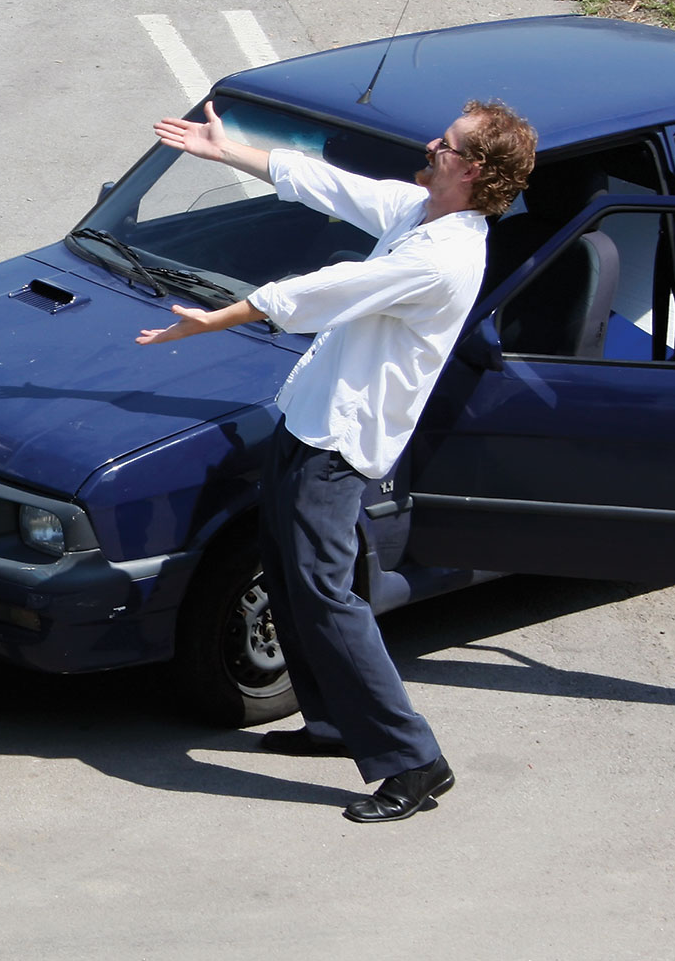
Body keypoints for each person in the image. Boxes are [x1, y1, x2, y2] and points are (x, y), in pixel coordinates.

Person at [138, 99, 536, 823]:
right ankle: (330, 723)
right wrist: (226, 152)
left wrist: (219, 317)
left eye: (444, 142)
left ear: (472, 169)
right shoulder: (421, 210)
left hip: (340, 445)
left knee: (325, 595)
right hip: (309, 417)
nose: (429, 142)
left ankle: (414, 760)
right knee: (290, 578)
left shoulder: (442, 256)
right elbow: (325, 183)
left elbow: (329, 289)